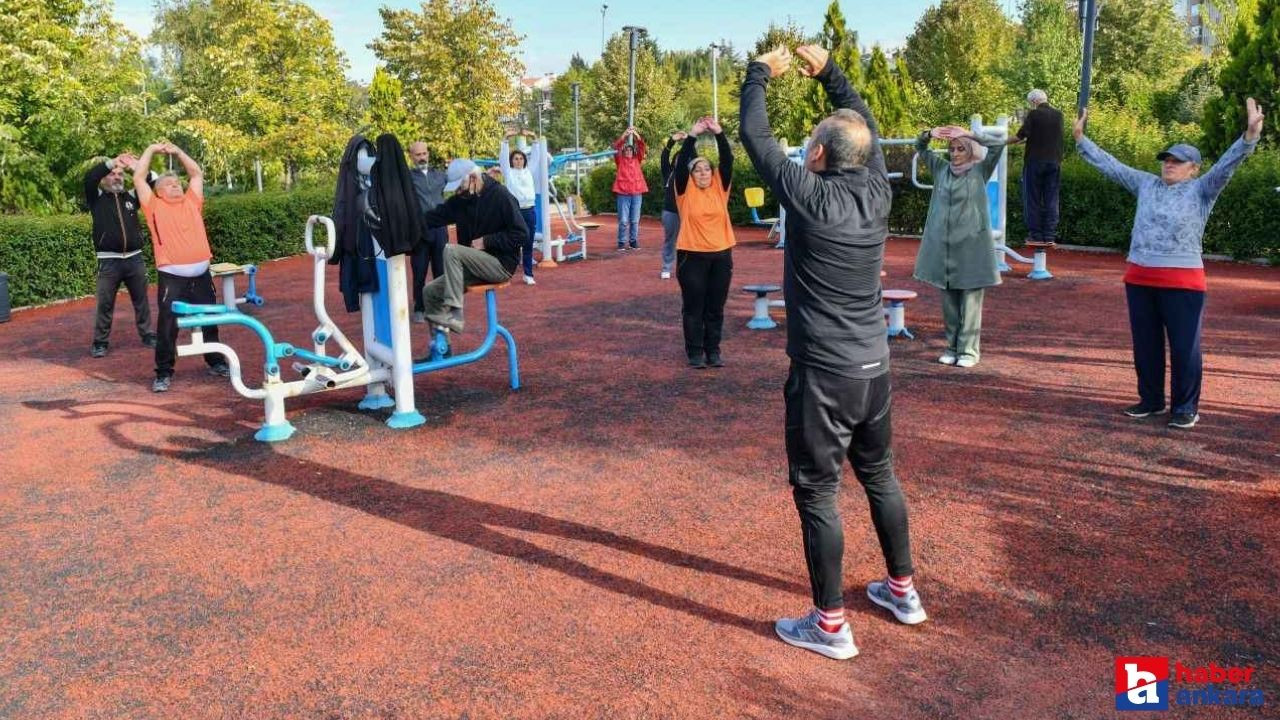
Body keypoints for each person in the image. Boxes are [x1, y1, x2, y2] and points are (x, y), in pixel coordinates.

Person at [740, 44, 926, 661]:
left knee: (817, 493)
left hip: (823, 374)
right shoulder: (878, 191)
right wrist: (829, 74)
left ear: (816, 154)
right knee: (879, 474)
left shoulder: (807, 194)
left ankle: (829, 625)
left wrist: (761, 70)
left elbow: (754, 133)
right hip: (874, 367)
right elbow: (863, 125)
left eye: (810, 147)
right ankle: (903, 593)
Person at [1074, 99, 1264, 430]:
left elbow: (1227, 165)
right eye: (1166, 160)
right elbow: (1112, 166)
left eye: (1178, 161)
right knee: (1145, 345)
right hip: (1139, 277)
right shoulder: (1146, 183)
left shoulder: (1203, 189)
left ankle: (1185, 407)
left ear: (1194, 168)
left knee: (1184, 347)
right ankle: (1150, 400)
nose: (1169, 164)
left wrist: (1249, 136)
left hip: (1183, 283)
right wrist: (1081, 141)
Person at [132, 142, 229, 392]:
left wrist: (177, 151)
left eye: (177, 183)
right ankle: (163, 372)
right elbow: (139, 176)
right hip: (172, 276)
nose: (176, 185)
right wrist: (152, 149)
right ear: (159, 191)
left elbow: (196, 173)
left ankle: (215, 361)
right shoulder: (153, 207)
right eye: (169, 184)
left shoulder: (192, 201)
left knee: (210, 318)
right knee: (168, 325)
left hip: (201, 273)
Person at [913, 124, 1006, 368]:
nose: (954, 153)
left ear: (970, 151)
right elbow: (919, 147)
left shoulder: (980, 170)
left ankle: (969, 351)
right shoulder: (941, 169)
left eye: (960, 149)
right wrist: (929, 134)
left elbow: (998, 145)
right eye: (952, 149)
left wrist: (972, 134)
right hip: (944, 248)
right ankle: (951, 347)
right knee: (949, 301)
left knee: (971, 301)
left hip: (972, 248)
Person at [418, 159, 526, 334]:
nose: (458, 191)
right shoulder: (461, 200)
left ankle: (455, 315)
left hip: (501, 265)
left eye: (460, 186)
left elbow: (521, 234)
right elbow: (434, 217)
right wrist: (402, 222)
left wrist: (486, 241)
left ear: (474, 178)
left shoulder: (500, 195)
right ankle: (440, 349)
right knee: (430, 292)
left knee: (451, 250)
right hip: (473, 266)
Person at [673, 117, 735, 369]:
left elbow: (728, 161)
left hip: (721, 255)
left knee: (715, 308)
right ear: (691, 175)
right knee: (694, 307)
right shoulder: (684, 191)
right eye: (697, 170)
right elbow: (681, 165)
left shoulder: (720, 187)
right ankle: (695, 352)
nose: (703, 173)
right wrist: (692, 135)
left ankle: (714, 351)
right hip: (692, 256)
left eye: (707, 169)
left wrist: (719, 134)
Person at [84, 152, 156, 357]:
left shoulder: (132, 197)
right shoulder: (96, 198)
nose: (117, 176)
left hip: (135, 258)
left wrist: (136, 166)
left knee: (141, 300)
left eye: (120, 174)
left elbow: (153, 181)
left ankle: (147, 333)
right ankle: (100, 342)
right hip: (109, 262)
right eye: (112, 174)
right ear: (105, 177)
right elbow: (89, 177)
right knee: (105, 303)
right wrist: (112, 163)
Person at [1009, 89, 1064, 243]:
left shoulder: (1033, 114)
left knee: (1032, 198)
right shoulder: (1059, 115)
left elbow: (1020, 136)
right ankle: (1050, 235)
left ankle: (1036, 235)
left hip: (1034, 161)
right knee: (1051, 199)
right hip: (1054, 161)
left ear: (1033, 102)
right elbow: (1050, 137)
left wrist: (1002, 141)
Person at [407, 141, 450, 322]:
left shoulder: (440, 175)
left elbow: (462, 181)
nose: (422, 157)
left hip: (440, 229)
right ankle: (419, 307)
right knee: (419, 271)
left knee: (440, 270)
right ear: (411, 156)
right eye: (418, 154)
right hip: (419, 231)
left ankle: (439, 307)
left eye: (424, 153)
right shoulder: (407, 177)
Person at [499, 129, 542, 285]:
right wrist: (505, 139)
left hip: (529, 210)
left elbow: (537, 157)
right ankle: (506, 274)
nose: (518, 161)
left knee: (528, 242)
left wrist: (534, 138)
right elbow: (503, 158)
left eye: (521, 158)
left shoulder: (529, 172)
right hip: (514, 212)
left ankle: (528, 274)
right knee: (512, 244)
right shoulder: (508, 173)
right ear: (512, 161)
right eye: (515, 159)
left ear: (524, 160)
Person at [611, 127, 648, 251]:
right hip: (623, 193)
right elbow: (616, 147)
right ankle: (621, 242)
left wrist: (636, 134)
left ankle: (633, 242)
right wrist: (624, 135)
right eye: (626, 150)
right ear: (623, 152)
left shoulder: (637, 159)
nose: (628, 151)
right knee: (623, 220)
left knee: (635, 220)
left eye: (630, 150)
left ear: (633, 152)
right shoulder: (619, 160)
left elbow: (642, 146)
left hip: (637, 193)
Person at [658, 130, 688, 279]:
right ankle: (666, 267)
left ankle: (686, 268)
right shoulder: (668, 172)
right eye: (678, 158)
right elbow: (664, 157)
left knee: (689, 241)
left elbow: (693, 156)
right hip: (670, 212)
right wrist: (672, 141)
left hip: (687, 212)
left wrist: (689, 140)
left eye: (683, 159)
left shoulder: (690, 174)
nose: (679, 160)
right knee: (670, 240)